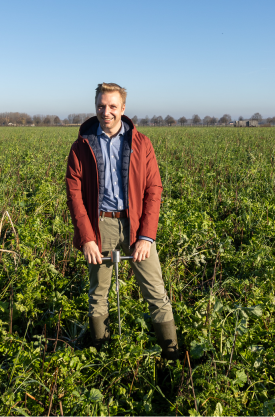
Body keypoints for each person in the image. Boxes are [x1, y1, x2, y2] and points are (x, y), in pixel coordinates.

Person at [65, 82, 178, 359]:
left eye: (112, 106)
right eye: (101, 106)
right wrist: (87, 237)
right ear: (96, 107)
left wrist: (146, 236)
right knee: (98, 293)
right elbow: (74, 193)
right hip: (100, 225)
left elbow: (154, 190)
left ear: (123, 108)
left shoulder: (141, 143)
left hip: (135, 225)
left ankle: (172, 355)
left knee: (156, 291)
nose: (106, 112)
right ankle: (101, 353)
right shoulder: (82, 145)